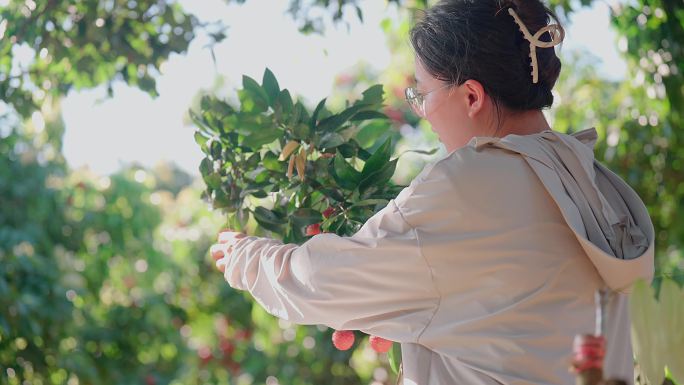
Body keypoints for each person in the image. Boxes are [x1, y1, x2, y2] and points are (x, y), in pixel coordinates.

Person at [209, 0, 655, 384]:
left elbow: (319, 283)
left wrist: (247, 255)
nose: (422, 112)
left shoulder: (468, 184)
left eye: (422, 94)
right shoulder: (594, 181)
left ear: (471, 97)